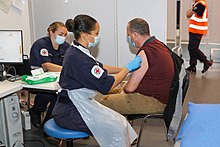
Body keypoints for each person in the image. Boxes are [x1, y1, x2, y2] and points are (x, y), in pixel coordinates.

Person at [52, 14, 141, 147]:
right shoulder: (79, 58)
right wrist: (128, 69)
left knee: (119, 121)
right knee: (115, 127)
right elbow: (107, 85)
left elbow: (100, 67)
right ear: (84, 35)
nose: (98, 36)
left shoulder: (77, 50)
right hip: (69, 112)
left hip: (77, 104)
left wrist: (121, 69)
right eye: (96, 33)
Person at [96, 18, 175, 115]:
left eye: (129, 35)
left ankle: (119, 127)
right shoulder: (157, 44)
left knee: (104, 102)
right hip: (159, 96)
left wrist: (125, 89)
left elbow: (130, 88)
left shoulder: (145, 52)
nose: (129, 38)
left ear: (134, 35)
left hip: (155, 101)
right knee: (110, 91)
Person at [29, 21, 70, 128]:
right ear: (51, 32)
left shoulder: (65, 47)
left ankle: (49, 123)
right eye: (61, 34)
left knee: (61, 94)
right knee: (50, 93)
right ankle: (36, 111)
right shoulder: (41, 45)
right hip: (39, 78)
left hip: (57, 78)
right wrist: (67, 70)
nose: (63, 37)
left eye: (65, 35)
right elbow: (46, 65)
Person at [186, 0, 212, 73]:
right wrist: (191, 11)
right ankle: (192, 66)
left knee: (192, 48)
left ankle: (205, 61)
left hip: (197, 30)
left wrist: (190, 11)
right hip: (194, 29)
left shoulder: (201, 4)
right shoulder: (197, 3)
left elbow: (189, 14)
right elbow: (189, 14)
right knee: (193, 48)